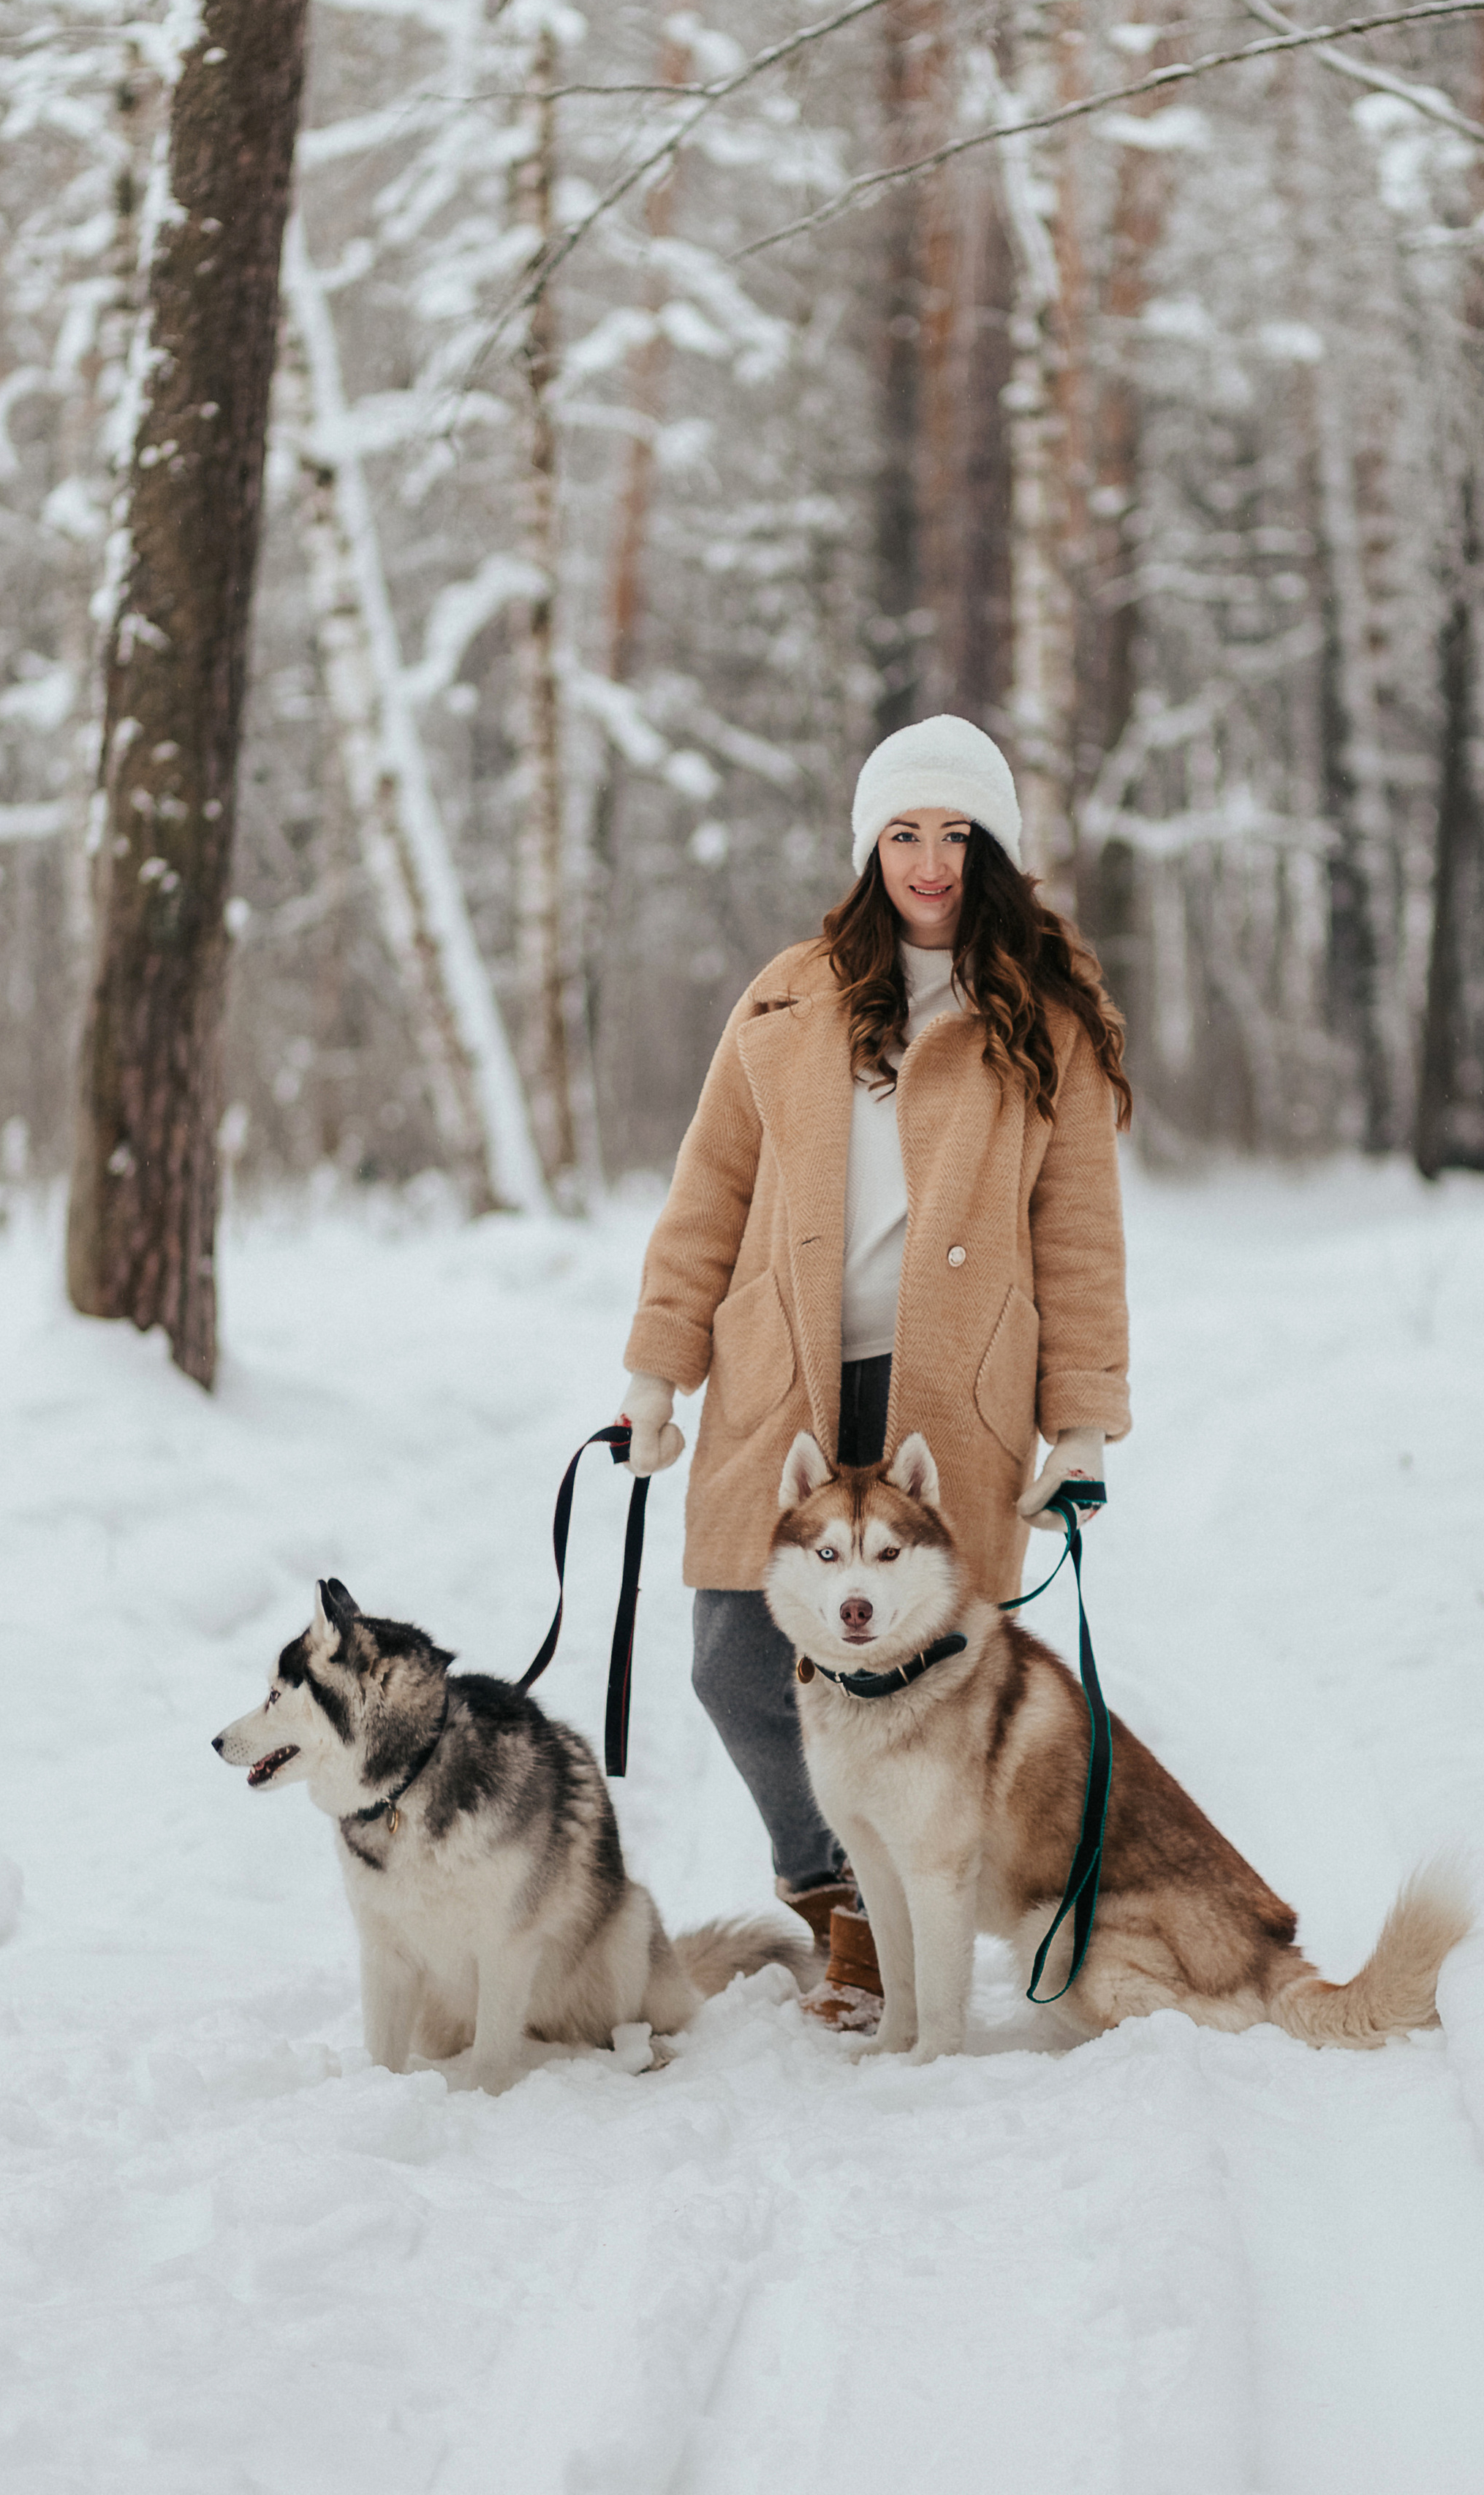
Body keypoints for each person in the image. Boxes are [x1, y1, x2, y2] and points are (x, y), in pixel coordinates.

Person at [616, 713, 1132, 2026]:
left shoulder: (1042, 1015)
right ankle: (836, 1894)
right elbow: (708, 1192)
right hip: (779, 1379)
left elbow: (1076, 1232)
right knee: (737, 1660)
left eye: (956, 835)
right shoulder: (788, 997)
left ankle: (913, 1933)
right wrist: (655, 1374)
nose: (929, 862)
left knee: (932, 1680)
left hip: (946, 1394)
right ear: (870, 848)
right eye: (904, 833)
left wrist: (1080, 1422)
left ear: (994, 849)